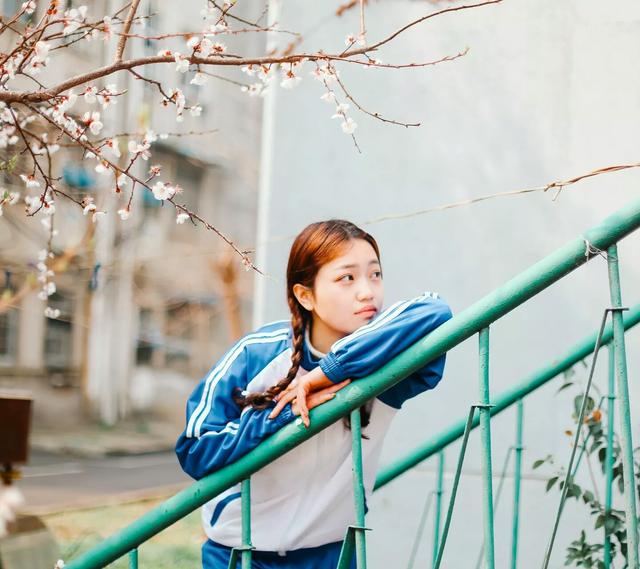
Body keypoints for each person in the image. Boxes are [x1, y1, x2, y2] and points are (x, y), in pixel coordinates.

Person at [175, 219, 453, 569]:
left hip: (330, 556)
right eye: (347, 278)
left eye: (375, 275)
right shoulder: (257, 354)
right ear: (305, 295)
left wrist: (328, 371)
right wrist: (283, 414)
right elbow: (196, 449)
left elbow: (436, 311)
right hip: (239, 554)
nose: (367, 292)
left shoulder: (387, 366)